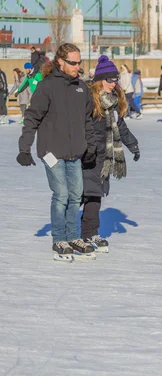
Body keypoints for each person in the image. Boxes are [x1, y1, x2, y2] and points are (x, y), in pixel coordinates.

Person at [17, 43, 97, 262]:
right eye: (73, 62)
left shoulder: (81, 88)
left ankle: (73, 237)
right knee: (61, 195)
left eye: (79, 62)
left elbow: (87, 120)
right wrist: (25, 148)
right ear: (60, 61)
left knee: (75, 196)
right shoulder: (47, 87)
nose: (77, 66)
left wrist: (91, 147)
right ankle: (59, 238)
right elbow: (32, 117)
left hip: (75, 152)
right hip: (52, 151)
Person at [81, 56, 140, 253]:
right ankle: (75, 235)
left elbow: (120, 127)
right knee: (84, 196)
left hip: (104, 157)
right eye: (110, 80)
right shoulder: (89, 101)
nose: (114, 84)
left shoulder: (113, 103)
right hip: (87, 155)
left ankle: (89, 234)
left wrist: (133, 145)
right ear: (100, 80)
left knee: (94, 196)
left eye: (116, 80)